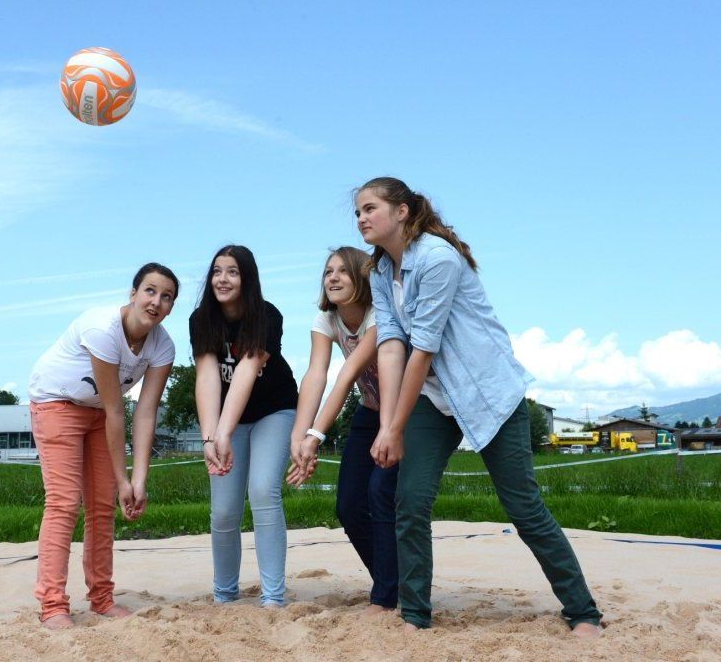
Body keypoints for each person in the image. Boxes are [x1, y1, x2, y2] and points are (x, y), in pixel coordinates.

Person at [355, 177, 602, 637]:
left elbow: (423, 348)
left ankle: (583, 611)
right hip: (432, 396)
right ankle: (414, 614)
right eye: (358, 213)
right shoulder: (380, 273)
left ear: (403, 211)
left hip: (487, 391)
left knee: (524, 508)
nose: (362, 219)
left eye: (370, 208)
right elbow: (391, 347)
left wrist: (394, 427)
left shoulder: (437, 257)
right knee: (410, 501)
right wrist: (388, 425)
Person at [27, 263, 178, 629]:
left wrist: (137, 480)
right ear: (133, 294)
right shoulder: (102, 329)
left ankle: (102, 598)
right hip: (57, 403)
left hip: (97, 413)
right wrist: (121, 476)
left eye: (167, 296)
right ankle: (52, 604)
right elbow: (116, 410)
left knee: (101, 506)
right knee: (64, 502)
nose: (157, 301)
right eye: (150, 291)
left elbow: (145, 413)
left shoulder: (163, 346)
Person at [287, 246, 399, 613]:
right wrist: (299, 437)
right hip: (370, 412)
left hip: (403, 416)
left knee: (381, 494)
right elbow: (316, 373)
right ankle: (390, 582)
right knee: (349, 506)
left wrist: (316, 436)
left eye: (342, 271)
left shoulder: (378, 313)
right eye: (327, 272)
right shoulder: (328, 319)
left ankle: (386, 595)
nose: (332, 277)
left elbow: (345, 375)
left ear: (362, 277)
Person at [190, 244, 298, 607]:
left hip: (274, 411)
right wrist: (211, 437)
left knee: (264, 491)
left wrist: (223, 433)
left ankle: (273, 597)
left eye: (232, 271)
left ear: (247, 278)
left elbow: (247, 371)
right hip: (225, 418)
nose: (223, 278)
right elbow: (207, 377)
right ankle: (224, 594)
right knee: (224, 510)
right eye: (217, 271)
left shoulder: (266, 316)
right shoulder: (201, 319)